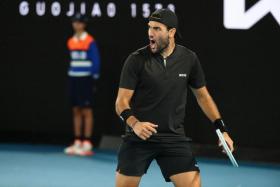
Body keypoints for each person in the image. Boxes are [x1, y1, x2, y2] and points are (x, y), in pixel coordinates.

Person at [115, 9, 234, 187]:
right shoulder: (136, 60)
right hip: (138, 139)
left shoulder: (189, 59)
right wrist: (135, 124)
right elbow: (121, 102)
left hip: (173, 138)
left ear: (171, 32)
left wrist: (221, 129)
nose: (150, 33)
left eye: (157, 28)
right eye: (149, 28)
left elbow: (203, 96)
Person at [64, 13, 100, 156]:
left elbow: (96, 62)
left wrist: (94, 78)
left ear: (84, 24)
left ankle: (87, 142)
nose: (76, 24)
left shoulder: (90, 41)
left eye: (79, 22)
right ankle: (77, 141)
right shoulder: (70, 41)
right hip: (73, 78)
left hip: (86, 79)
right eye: (74, 22)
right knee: (76, 110)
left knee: (87, 110)